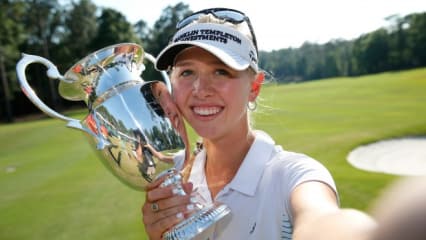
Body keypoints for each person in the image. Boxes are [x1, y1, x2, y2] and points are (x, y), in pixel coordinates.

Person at [141, 7, 376, 239]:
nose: (200, 90)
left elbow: (322, 220)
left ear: (254, 87)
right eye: (187, 72)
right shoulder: (175, 173)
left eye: (221, 71)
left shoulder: (294, 175)